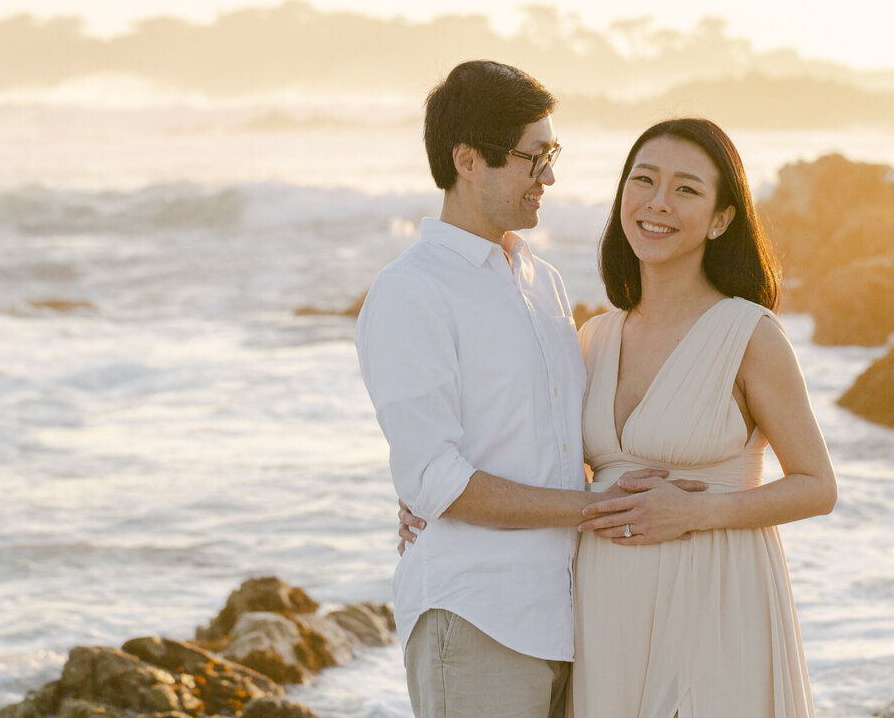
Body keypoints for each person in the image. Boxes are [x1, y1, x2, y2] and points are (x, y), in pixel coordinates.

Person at [356, 61, 698, 718]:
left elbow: (560, 440)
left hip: (569, 618)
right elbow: (438, 481)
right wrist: (597, 509)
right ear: (467, 160)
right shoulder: (412, 291)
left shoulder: (542, 282)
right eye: (532, 158)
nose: (549, 177)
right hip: (478, 615)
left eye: (553, 155)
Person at [569, 118, 837, 717]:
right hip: (605, 612)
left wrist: (696, 511)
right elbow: (545, 465)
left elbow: (818, 487)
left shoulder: (749, 334)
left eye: (686, 188)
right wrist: (439, 505)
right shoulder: (594, 337)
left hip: (716, 603)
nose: (657, 202)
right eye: (644, 180)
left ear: (721, 220)